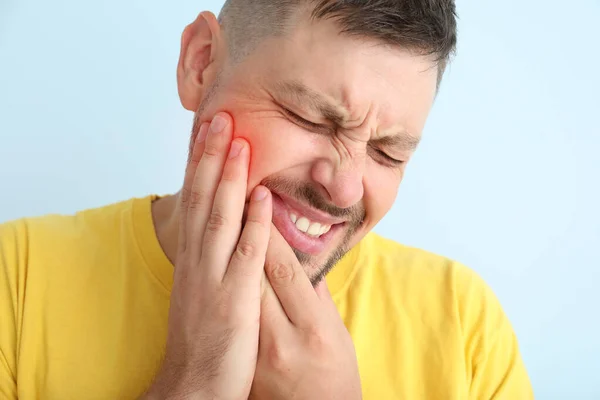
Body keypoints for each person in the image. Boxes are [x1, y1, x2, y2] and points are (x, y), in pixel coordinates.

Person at [0, 0, 534, 398]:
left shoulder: (464, 324)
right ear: (201, 63)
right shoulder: (17, 279)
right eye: (309, 118)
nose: (344, 188)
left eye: (388, 154)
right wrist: (196, 382)